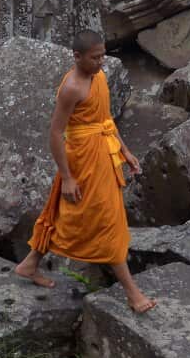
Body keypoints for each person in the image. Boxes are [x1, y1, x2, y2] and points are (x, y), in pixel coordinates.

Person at [13, 30, 157, 314]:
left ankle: (29, 264)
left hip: (103, 153)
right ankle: (133, 293)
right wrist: (66, 177)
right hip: (81, 159)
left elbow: (105, 120)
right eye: (95, 57)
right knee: (106, 221)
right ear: (77, 57)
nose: (101, 62)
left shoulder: (99, 76)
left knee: (69, 214)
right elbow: (55, 134)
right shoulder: (72, 87)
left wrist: (125, 152)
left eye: (103, 55)